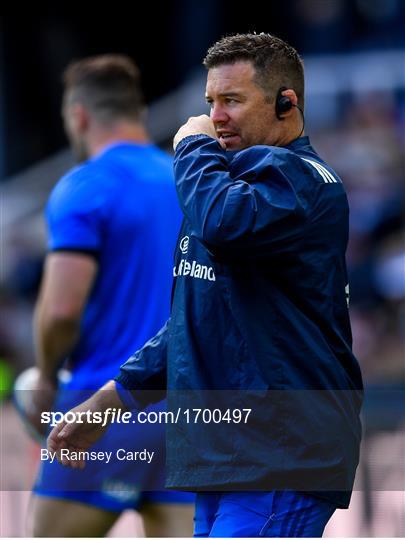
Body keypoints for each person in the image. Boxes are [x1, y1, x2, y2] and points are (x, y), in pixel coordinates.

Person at [47, 34, 363, 537]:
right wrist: (114, 395)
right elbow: (198, 318)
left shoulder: (303, 181)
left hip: (279, 451)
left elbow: (221, 222)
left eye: (232, 101)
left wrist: (191, 147)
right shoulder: (227, 185)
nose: (214, 117)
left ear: (287, 103)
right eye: (210, 103)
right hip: (230, 454)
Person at [29, 54, 194, 537]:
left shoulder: (85, 186)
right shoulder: (189, 182)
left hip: (101, 406)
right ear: (139, 113)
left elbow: (61, 310)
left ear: (79, 115)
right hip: (189, 411)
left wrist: (44, 372)